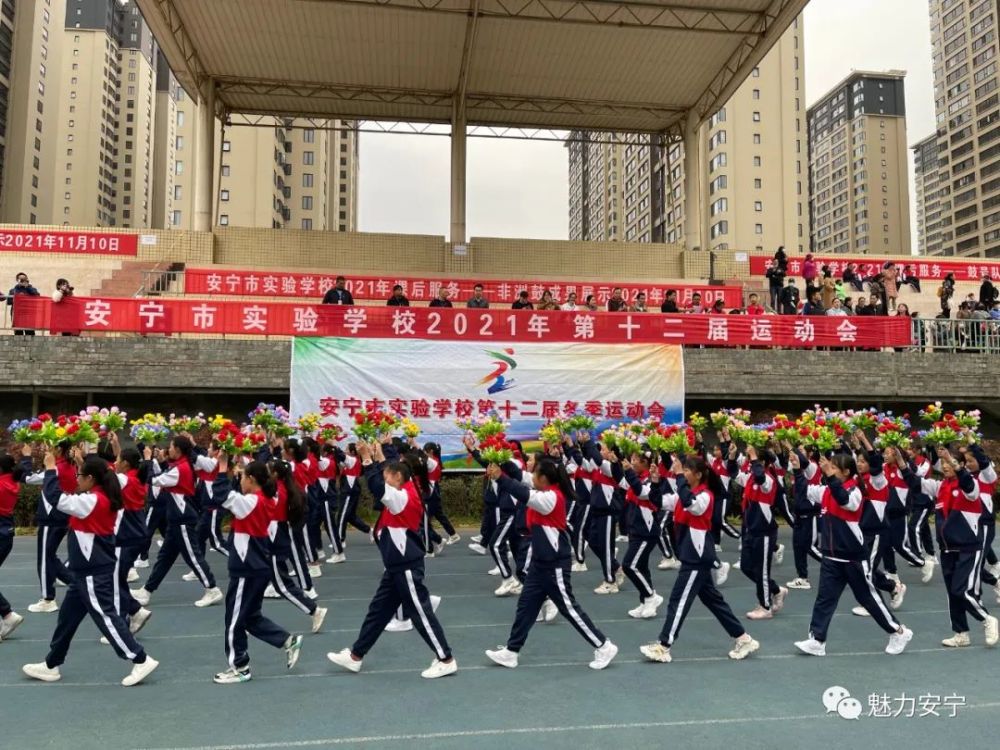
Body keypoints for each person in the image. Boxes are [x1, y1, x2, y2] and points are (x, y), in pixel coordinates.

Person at [22, 453, 160, 686]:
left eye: (80, 476)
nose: (77, 479)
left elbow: (55, 498)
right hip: (83, 571)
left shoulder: (94, 500)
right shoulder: (99, 496)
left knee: (105, 615)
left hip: (92, 570)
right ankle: (51, 664)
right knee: (67, 618)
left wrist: (50, 469)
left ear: (91, 478)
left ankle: (140, 658)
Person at [327, 441, 457, 679]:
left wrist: (367, 460)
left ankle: (445, 658)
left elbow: (377, 486)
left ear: (398, 477)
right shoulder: (403, 490)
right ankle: (356, 655)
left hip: (406, 565)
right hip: (396, 566)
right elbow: (382, 480)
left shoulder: (402, 496)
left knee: (420, 612)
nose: (384, 477)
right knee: (378, 611)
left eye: (388, 474)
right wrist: (378, 458)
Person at [484, 459, 618, 670]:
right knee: (526, 606)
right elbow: (522, 478)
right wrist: (500, 461)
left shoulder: (550, 498)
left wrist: (500, 477)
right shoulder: (544, 490)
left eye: (535, 473)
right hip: (540, 564)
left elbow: (522, 491)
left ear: (544, 478)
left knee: (570, 609)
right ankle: (512, 651)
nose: (531, 476)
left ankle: (603, 646)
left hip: (555, 564)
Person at [790, 452, 913, 657]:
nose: (830, 470)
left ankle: (899, 631)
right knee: (824, 599)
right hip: (831, 556)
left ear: (847, 472)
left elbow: (845, 501)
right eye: (830, 467)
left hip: (853, 557)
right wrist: (797, 470)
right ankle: (817, 640)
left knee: (868, 598)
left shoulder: (855, 492)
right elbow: (803, 491)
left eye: (835, 468)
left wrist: (829, 477)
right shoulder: (826, 490)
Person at [640, 455, 759, 663]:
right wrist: (656, 482)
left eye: (687, 471)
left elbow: (692, 506)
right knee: (714, 601)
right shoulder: (685, 493)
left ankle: (664, 645)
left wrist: (677, 477)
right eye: (683, 470)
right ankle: (744, 638)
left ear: (698, 475)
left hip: (696, 557)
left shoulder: (705, 496)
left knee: (678, 600)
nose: (683, 473)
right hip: (691, 556)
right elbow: (659, 501)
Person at [210, 457, 304, 684]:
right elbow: (232, 498)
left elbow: (221, 496)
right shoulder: (263, 499)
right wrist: (232, 475)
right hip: (255, 567)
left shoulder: (253, 501)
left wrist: (222, 471)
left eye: (242, 477)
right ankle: (286, 641)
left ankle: (239, 667)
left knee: (234, 620)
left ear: (251, 480)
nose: (239, 479)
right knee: (250, 618)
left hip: (247, 569)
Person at [898, 446, 998, 648]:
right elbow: (914, 482)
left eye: (949, 463)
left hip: (969, 547)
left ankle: (987, 619)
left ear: (960, 465)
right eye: (942, 463)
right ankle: (961, 633)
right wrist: (901, 462)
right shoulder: (940, 486)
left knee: (961, 590)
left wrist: (951, 460)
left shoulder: (972, 486)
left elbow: (968, 485)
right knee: (952, 592)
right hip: (947, 548)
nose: (944, 466)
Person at [132, 436, 223, 609]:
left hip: (182, 520)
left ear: (179, 450)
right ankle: (147, 590)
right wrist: (158, 462)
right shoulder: (181, 465)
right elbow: (165, 475)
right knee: (164, 558)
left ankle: (212, 588)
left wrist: (148, 460)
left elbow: (153, 480)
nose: (169, 449)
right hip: (176, 520)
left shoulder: (180, 468)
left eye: (172, 446)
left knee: (193, 556)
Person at [25, 441, 77, 613]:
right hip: (62, 516)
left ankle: (48, 598)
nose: (48, 450)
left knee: (45, 558)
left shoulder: (57, 468)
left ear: (60, 450)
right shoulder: (70, 465)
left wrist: (26, 457)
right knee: (50, 556)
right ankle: (78, 584)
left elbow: (28, 478)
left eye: (52, 446)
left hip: (51, 517)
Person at [0, 447, 32, 640]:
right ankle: (6, 614)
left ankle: (7, 614)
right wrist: (27, 457)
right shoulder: (12, 481)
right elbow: (25, 469)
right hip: (7, 532)